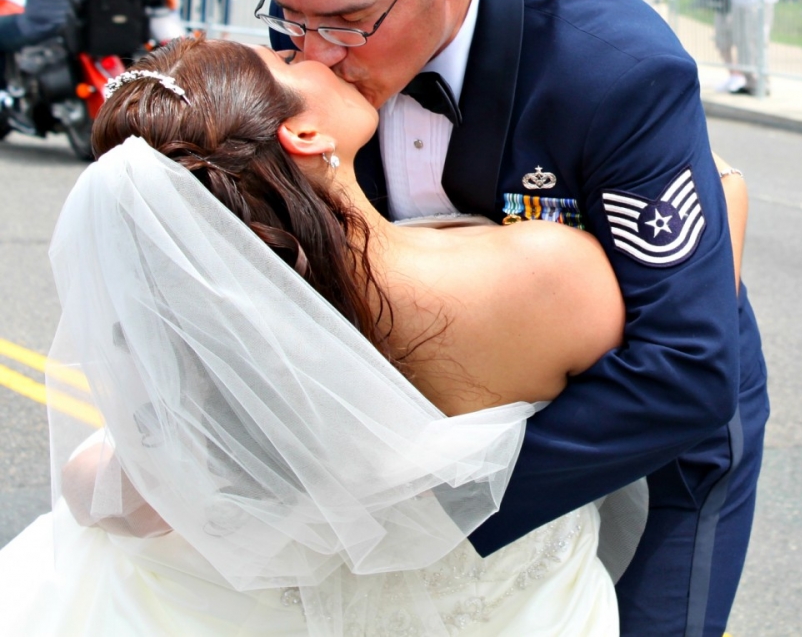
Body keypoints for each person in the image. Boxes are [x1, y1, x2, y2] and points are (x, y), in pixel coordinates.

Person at [0, 37, 749, 634]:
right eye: (291, 59)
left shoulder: (227, 349)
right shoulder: (538, 279)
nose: (314, 52)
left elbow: (100, 488)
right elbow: (690, 310)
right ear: (302, 131)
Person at [255, 0, 767, 635]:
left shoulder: (616, 69)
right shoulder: (316, 32)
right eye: (290, 17)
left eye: (349, 23)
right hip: (426, 430)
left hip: (641, 417)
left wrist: (439, 511)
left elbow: (687, 369)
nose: (313, 56)